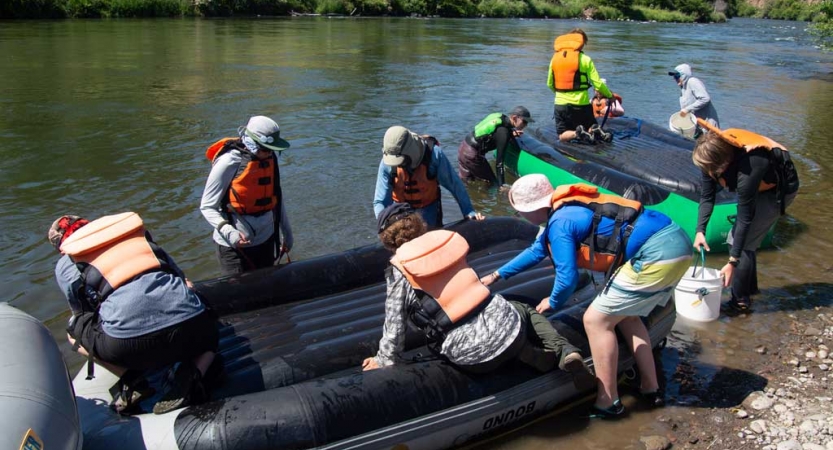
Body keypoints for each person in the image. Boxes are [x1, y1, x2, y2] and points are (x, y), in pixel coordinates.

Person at [481, 175, 693, 418]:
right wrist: (497, 275)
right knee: (628, 317)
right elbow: (537, 250)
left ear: (533, 208)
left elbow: (567, 277)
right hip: (676, 240)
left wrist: (553, 302)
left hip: (656, 254)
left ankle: (608, 401)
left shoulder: (560, 223)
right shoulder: (566, 207)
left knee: (595, 320)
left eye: (520, 212)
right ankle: (650, 387)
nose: (521, 217)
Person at [362, 203, 594, 388]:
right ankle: (562, 349)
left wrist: (383, 360)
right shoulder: (446, 242)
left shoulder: (399, 269)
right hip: (510, 328)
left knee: (456, 337)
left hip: (471, 357)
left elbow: (395, 325)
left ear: (388, 239)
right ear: (418, 224)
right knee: (522, 308)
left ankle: (518, 353)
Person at [49, 212, 219, 415]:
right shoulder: (137, 236)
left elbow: (82, 313)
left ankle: (132, 378)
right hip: (193, 328)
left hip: (128, 346)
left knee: (72, 332)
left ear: (62, 246)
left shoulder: (66, 264)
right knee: (206, 321)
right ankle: (195, 372)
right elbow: (182, 280)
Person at [692, 120, 800, 311]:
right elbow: (707, 197)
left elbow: (745, 218)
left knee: (738, 242)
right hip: (759, 184)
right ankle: (750, 290)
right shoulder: (710, 161)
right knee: (743, 243)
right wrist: (700, 230)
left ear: (722, 164)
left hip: (779, 190)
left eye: (710, 170)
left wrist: (732, 262)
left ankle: (740, 303)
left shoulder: (749, 166)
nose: (707, 173)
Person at [200, 115, 294, 275]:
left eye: (272, 150)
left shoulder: (269, 158)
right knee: (239, 295)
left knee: (268, 289)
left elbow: (276, 198)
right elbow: (207, 206)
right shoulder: (229, 161)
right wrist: (230, 232)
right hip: (234, 247)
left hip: (266, 239)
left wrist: (287, 233)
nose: (269, 153)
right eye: (265, 149)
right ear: (252, 142)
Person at [374, 125, 484, 228]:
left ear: (411, 152)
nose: (398, 164)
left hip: (429, 209)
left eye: (401, 161)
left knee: (432, 236)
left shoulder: (434, 156)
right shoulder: (387, 164)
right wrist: (385, 224)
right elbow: (380, 202)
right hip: (400, 213)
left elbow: (455, 186)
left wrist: (468, 212)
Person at [548, 28, 613, 144]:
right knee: (589, 124)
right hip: (582, 104)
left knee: (562, 135)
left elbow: (549, 84)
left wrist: (561, 94)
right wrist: (609, 95)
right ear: (582, 43)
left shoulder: (554, 59)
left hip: (561, 104)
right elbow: (597, 83)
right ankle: (594, 129)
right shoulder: (585, 59)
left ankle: (577, 133)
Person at [457, 106, 534, 187]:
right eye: (524, 121)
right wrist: (501, 185)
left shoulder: (501, 118)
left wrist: (512, 134)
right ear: (514, 118)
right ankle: (490, 197)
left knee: (466, 182)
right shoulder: (504, 133)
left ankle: (474, 198)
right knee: (492, 184)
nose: (526, 125)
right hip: (472, 155)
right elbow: (499, 163)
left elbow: (493, 133)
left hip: (464, 148)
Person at [668, 63, 720, 128]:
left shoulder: (693, 82)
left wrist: (687, 109)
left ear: (684, 75)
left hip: (708, 125)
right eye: (674, 77)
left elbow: (705, 98)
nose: (675, 79)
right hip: (697, 125)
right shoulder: (683, 88)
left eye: (677, 76)